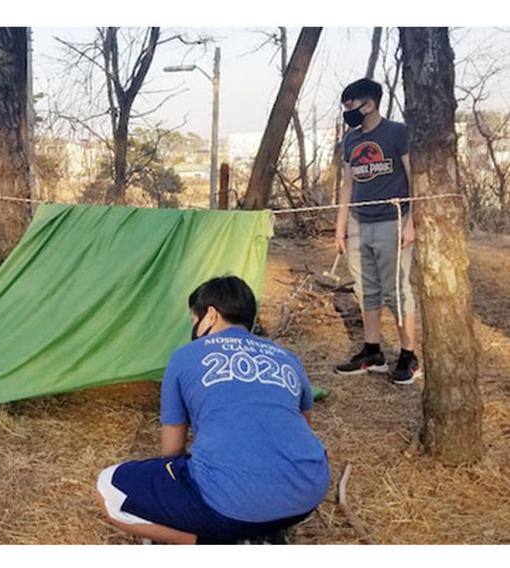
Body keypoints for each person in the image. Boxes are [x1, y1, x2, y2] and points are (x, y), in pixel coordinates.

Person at [96, 276, 329, 544]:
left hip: (230, 505)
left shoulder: (184, 356)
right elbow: (304, 427)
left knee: (108, 488)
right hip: (307, 494)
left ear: (210, 316)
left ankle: (216, 543)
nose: (194, 328)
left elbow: (171, 452)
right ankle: (265, 532)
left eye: (194, 321)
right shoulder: (287, 357)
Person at [334, 78, 420, 385]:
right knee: (366, 289)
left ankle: (409, 355)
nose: (349, 114)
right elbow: (347, 183)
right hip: (359, 222)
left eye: (352, 107)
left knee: (396, 290)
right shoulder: (351, 140)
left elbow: (414, 179)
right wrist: (341, 225)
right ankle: (373, 352)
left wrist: (412, 221)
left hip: (393, 221)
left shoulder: (398, 133)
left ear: (369, 104)